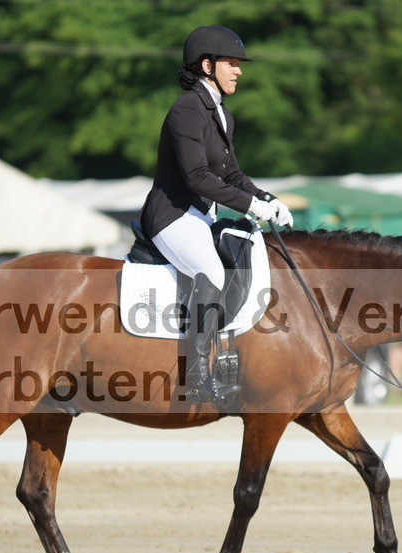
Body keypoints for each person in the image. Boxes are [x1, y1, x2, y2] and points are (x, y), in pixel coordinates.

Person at [139, 25, 293, 406]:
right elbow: (196, 176)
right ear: (206, 65)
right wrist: (249, 206)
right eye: (231, 63)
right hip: (171, 214)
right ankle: (195, 376)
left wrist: (268, 198)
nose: (238, 70)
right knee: (210, 271)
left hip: (197, 216)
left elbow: (232, 174)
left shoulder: (221, 114)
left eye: (238, 64)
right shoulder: (186, 111)